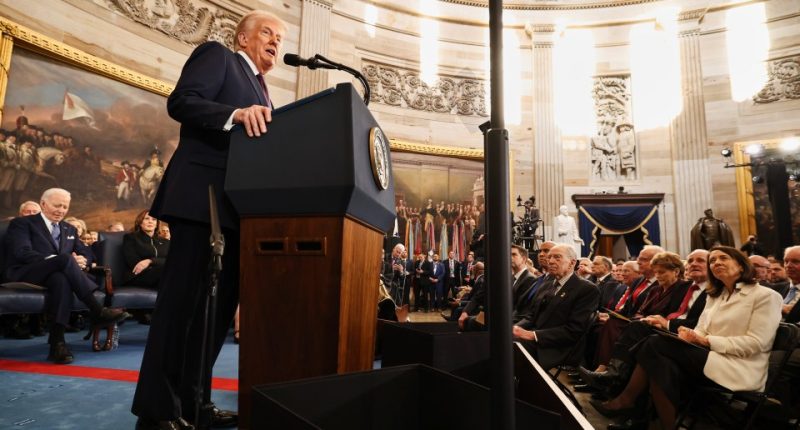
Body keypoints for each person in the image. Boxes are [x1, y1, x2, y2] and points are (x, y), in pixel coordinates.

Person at [131, 10, 286, 430]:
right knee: (181, 307)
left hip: (238, 209)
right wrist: (235, 115)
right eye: (268, 32)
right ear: (243, 37)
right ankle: (156, 412)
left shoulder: (265, 91)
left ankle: (193, 403)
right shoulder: (220, 56)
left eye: (280, 37)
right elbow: (181, 102)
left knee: (214, 315)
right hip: (202, 201)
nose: (276, 41)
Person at [590, 246, 782, 430]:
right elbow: (701, 330)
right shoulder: (715, 295)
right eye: (713, 260)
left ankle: (627, 402)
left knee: (655, 344)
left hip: (739, 367)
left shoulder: (766, 296)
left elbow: (757, 343)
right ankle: (655, 422)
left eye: (723, 258)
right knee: (661, 362)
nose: (716, 262)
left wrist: (705, 341)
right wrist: (689, 336)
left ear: (741, 265)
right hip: (709, 357)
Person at [2, 188, 129, 364]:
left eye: (65, 207)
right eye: (57, 205)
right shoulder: (22, 223)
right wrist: (58, 260)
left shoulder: (69, 228)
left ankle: (57, 343)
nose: (61, 210)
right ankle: (96, 309)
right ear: (43, 204)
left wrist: (83, 260)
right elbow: (21, 252)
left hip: (55, 276)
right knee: (65, 259)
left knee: (61, 280)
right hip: (26, 272)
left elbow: (87, 252)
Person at [513, 244, 599, 370]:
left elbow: (574, 330)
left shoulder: (586, 289)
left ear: (572, 263)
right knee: (501, 338)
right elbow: (531, 316)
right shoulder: (546, 285)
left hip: (557, 348)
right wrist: (515, 328)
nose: (551, 261)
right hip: (534, 339)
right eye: (549, 257)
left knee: (507, 348)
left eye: (557, 257)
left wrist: (533, 335)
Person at [122, 210, 169, 288]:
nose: (150, 221)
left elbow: (171, 261)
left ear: (157, 224)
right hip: (137, 276)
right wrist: (158, 264)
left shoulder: (165, 241)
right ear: (140, 222)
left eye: (154, 219)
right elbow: (133, 262)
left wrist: (150, 261)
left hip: (160, 275)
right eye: (146, 219)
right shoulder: (130, 238)